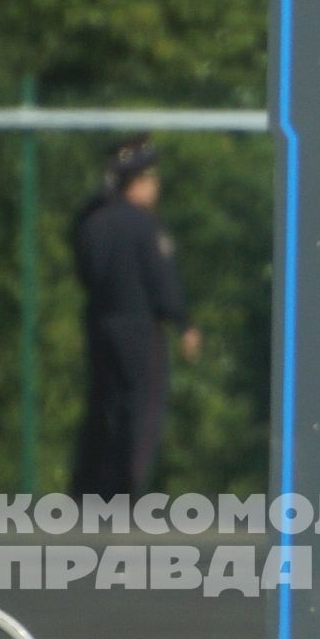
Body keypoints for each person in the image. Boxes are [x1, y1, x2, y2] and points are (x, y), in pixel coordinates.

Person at [69, 137, 200, 500]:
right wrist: (183, 322)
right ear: (138, 182)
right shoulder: (145, 226)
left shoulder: (91, 221)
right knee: (143, 405)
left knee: (104, 402)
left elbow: (84, 270)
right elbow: (162, 280)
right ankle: (125, 487)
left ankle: (88, 486)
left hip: (100, 322)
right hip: (139, 326)